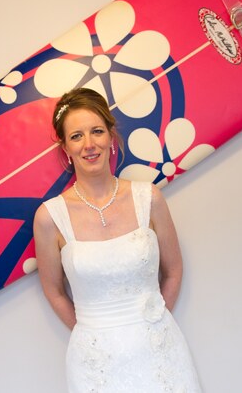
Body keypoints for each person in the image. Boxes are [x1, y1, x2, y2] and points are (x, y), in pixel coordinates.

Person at [33, 88, 201, 392]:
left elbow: (174, 270)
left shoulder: (149, 198)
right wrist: (92, 334)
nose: (89, 144)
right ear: (65, 149)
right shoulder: (49, 217)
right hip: (95, 362)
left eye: (97, 131)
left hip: (159, 350)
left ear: (111, 137)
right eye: (76, 136)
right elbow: (54, 291)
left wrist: (154, 323)